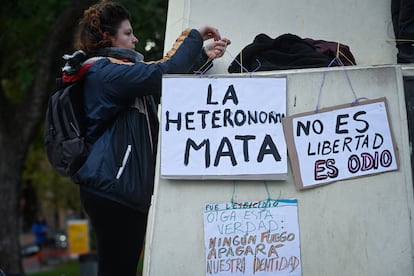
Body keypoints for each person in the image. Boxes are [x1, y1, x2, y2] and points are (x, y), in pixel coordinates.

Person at [61, 1, 230, 275]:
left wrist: (202, 56)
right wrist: (194, 36)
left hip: (117, 187)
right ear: (107, 37)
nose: (135, 39)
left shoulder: (120, 73)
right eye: (128, 33)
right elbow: (160, 73)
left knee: (120, 267)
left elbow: (164, 86)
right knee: (118, 268)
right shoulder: (105, 71)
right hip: (114, 188)